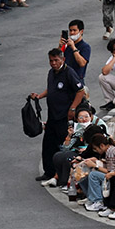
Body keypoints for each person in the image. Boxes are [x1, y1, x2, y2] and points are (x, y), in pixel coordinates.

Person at [31, 48, 88, 183]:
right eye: (51, 61)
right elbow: (50, 89)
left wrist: (73, 108)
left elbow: (80, 91)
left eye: (56, 60)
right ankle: (48, 172)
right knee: (48, 145)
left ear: (63, 59)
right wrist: (40, 96)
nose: (53, 63)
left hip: (64, 117)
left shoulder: (69, 73)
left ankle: (62, 176)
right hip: (52, 116)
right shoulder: (51, 73)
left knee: (63, 147)